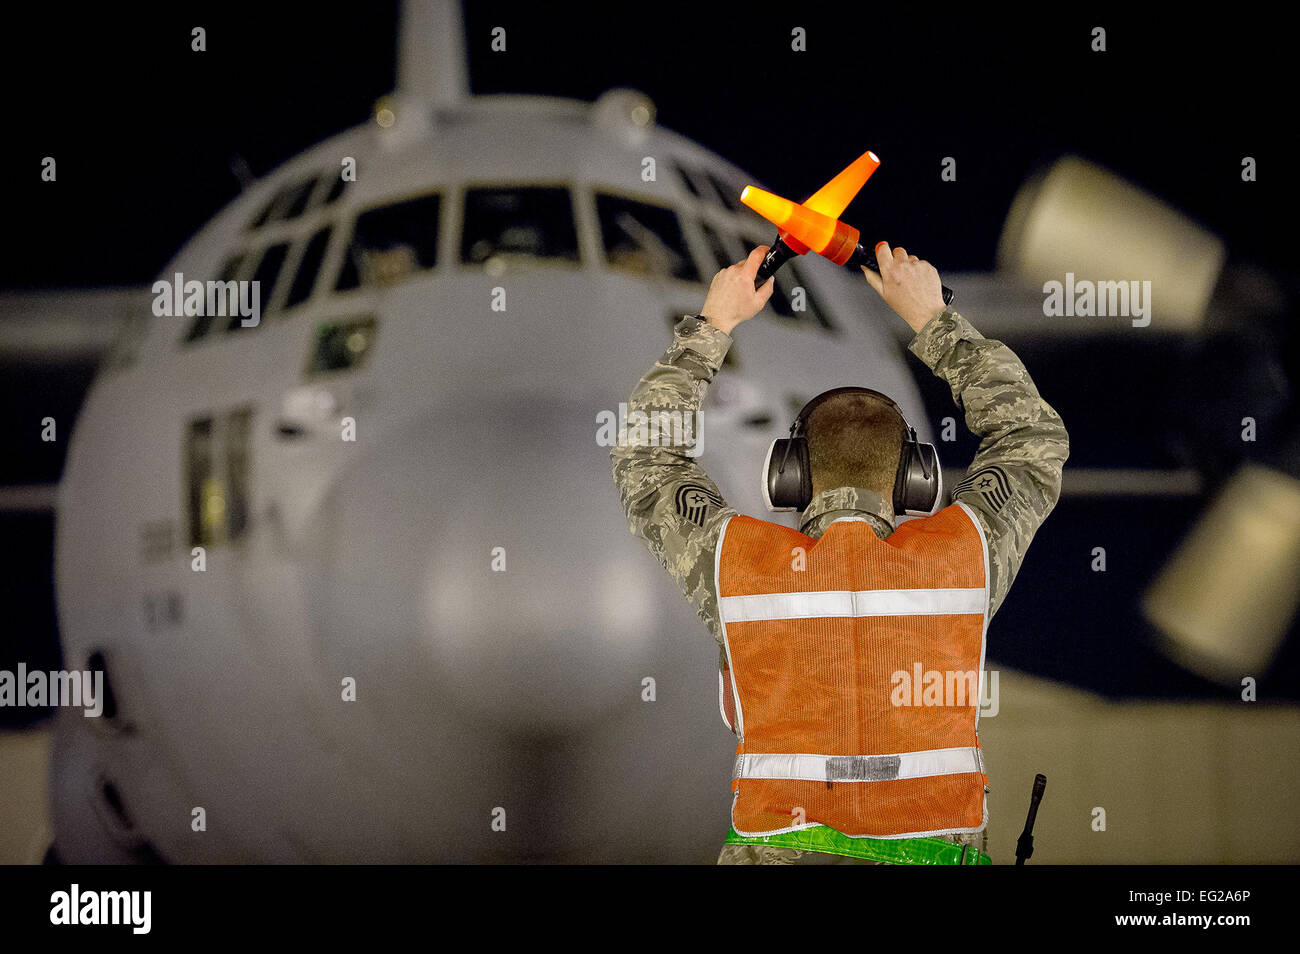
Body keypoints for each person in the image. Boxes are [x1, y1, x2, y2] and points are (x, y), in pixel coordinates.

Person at [610, 242, 1069, 864]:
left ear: (789, 477)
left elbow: (645, 457)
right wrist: (936, 321)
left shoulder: (739, 565)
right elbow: (1032, 438)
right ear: (917, 479)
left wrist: (713, 324)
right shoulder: (964, 559)